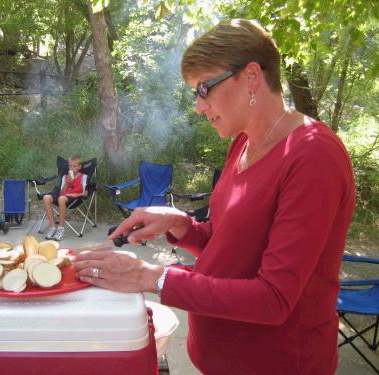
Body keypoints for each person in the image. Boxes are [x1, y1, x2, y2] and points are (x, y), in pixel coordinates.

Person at [74, 19, 355, 375]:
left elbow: (274, 298)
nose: (198, 106)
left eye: (204, 88)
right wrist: (182, 226)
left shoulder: (313, 156)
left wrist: (152, 277)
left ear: (251, 77)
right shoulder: (243, 143)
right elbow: (236, 247)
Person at [43, 155, 88, 241]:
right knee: (46, 198)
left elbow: (85, 193)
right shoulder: (65, 177)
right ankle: (53, 227)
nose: (71, 168)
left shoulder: (84, 177)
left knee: (61, 199)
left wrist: (76, 195)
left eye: (74, 166)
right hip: (63, 197)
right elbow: (61, 193)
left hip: (75, 198)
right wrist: (67, 183)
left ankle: (61, 228)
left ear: (79, 167)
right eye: (70, 166)